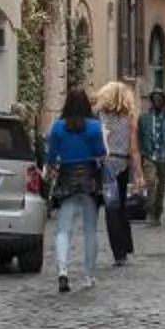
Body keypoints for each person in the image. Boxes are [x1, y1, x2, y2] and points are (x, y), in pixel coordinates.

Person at [42, 86, 107, 294]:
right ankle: (89, 274)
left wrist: (53, 168)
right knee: (90, 229)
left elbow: (51, 157)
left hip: (67, 177)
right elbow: (101, 153)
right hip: (89, 178)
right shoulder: (95, 127)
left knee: (63, 228)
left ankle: (62, 270)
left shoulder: (58, 127)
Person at [94, 80, 140, 267]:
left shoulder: (98, 115)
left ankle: (119, 252)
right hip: (122, 163)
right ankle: (125, 247)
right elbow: (134, 148)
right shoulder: (129, 117)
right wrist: (138, 173)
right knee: (120, 207)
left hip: (104, 163)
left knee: (111, 209)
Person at [140, 92, 165, 224]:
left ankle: (157, 212)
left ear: (163, 101)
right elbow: (139, 137)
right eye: (154, 100)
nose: (157, 102)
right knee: (151, 182)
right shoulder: (144, 118)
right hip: (149, 155)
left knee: (161, 186)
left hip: (164, 156)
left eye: (159, 99)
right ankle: (150, 210)